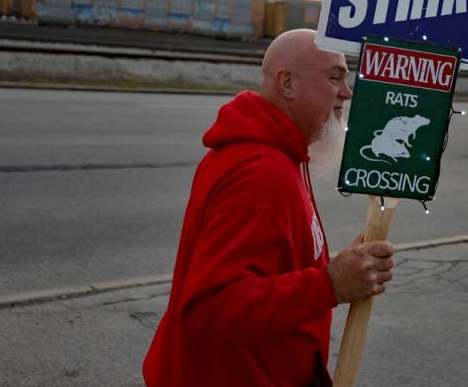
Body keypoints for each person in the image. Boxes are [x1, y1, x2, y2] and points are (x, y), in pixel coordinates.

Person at [143, 29, 395, 386]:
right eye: (334, 76)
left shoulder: (281, 154)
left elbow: (270, 263)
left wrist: (342, 267)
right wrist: (329, 284)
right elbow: (211, 307)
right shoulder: (260, 172)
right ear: (288, 83)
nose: (347, 92)